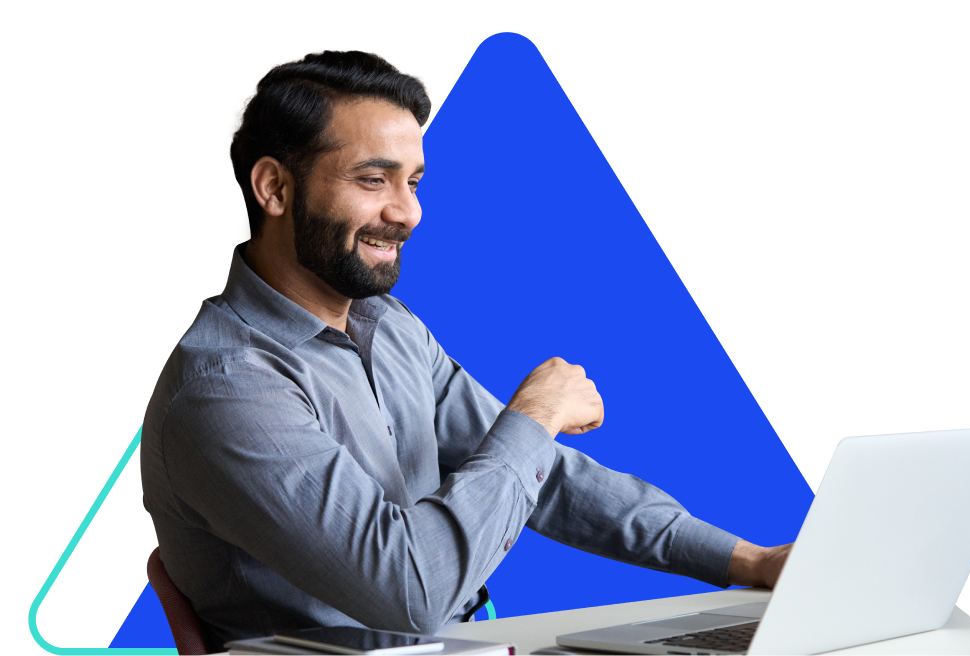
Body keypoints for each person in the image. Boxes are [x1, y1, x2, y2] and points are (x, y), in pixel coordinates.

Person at [140, 48, 793, 652]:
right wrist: (534, 416)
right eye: (374, 180)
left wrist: (750, 562)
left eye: (414, 183)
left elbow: (548, 480)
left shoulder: (391, 329)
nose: (408, 213)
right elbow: (410, 593)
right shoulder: (226, 385)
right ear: (274, 189)